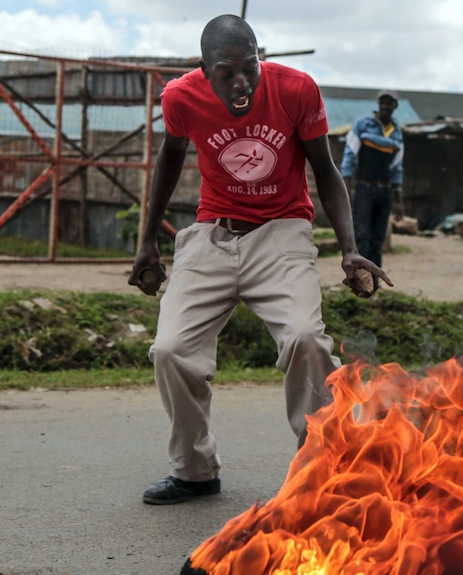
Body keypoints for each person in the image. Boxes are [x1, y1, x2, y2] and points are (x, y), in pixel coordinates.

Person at [128, 14, 392, 505]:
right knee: (170, 351)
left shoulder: (296, 90)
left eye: (250, 66)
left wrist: (351, 248)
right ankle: (194, 471)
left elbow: (327, 171)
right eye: (226, 72)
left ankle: (322, 469)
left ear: (260, 57)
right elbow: (169, 157)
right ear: (204, 71)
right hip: (213, 233)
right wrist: (149, 241)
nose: (241, 81)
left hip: (282, 232)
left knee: (307, 340)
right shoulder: (180, 97)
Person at [341, 90, 405, 268]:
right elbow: (349, 159)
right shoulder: (362, 125)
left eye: (389, 103)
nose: (385, 106)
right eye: (382, 102)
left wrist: (398, 200)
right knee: (361, 235)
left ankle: (375, 278)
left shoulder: (397, 133)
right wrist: (347, 191)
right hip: (364, 189)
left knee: (378, 238)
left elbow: (397, 168)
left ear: (395, 106)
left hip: (385, 191)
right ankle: (361, 278)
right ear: (378, 104)